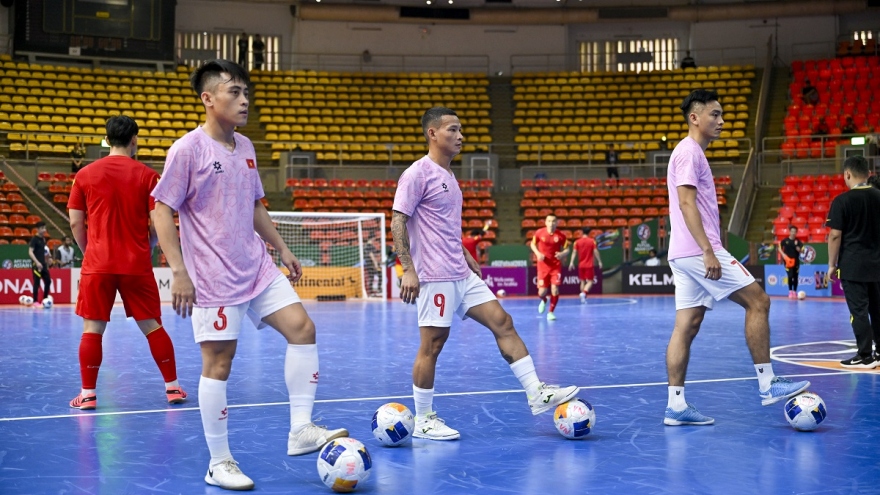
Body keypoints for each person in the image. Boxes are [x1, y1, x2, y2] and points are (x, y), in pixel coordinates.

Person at [151, 59, 347, 491]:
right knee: (219, 363)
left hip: (256, 266)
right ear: (208, 98)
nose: (244, 100)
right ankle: (218, 462)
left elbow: (256, 207)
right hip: (213, 276)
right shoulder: (187, 150)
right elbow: (161, 209)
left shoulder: (247, 147)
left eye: (245, 93)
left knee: (303, 328)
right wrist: (178, 271)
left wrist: (283, 249)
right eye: (234, 92)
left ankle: (301, 430)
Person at [392, 106, 578, 441]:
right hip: (434, 275)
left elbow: (445, 225)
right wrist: (408, 267)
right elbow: (398, 220)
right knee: (432, 344)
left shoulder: (449, 176)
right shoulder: (417, 173)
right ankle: (423, 419)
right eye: (452, 129)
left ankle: (537, 392)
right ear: (432, 134)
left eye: (461, 129)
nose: (460, 135)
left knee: (502, 321)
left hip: (460, 273)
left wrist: (464, 253)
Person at [663, 89, 810, 426]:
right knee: (758, 301)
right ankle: (768, 382)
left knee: (686, 326)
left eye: (723, 115)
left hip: (683, 252)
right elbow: (686, 204)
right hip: (697, 250)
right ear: (694, 117)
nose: (722, 121)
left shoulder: (691, 153)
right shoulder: (688, 152)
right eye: (715, 114)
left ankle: (675, 406)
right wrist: (707, 250)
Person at [66, 114, 187, 411]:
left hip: (98, 264)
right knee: (153, 327)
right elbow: (158, 223)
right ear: (134, 140)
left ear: (107, 140)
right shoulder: (148, 176)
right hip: (136, 264)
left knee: (92, 329)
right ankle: (172, 388)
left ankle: (88, 394)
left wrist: (88, 250)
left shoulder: (84, 175)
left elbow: (75, 223)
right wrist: (149, 246)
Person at [825, 156, 880, 369]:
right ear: (867, 173)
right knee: (877, 309)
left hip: (853, 266)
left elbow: (835, 236)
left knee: (859, 311)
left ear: (847, 174)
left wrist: (831, 264)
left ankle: (865, 355)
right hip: (877, 265)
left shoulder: (842, 201)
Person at [531, 215, 569, 320]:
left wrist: (562, 254)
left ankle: (551, 312)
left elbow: (567, 249)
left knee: (555, 289)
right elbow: (532, 244)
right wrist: (538, 253)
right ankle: (544, 300)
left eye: (553, 221)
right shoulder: (539, 233)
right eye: (549, 221)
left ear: (557, 223)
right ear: (545, 222)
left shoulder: (561, 235)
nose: (551, 223)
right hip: (542, 266)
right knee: (541, 292)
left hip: (555, 266)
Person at [569, 229, 602, 304]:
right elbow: (595, 251)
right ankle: (584, 293)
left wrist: (571, 262)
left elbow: (574, 252)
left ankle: (582, 298)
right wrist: (599, 261)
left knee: (582, 281)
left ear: (582, 232)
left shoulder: (577, 242)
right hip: (589, 265)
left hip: (581, 265)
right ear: (589, 233)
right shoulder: (592, 241)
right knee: (590, 281)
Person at [28, 222, 51, 307]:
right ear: (37, 229)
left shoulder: (43, 239)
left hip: (43, 264)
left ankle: (45, 299)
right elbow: (30, 252)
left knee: (48, 281)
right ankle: (35, 301)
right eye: (42, 228)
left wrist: (48, 259)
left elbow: (44, 251)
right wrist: (37, 262)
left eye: (44, 228)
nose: (44, 230)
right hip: (36, 264)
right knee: (36, 283)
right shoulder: (34, 239)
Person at [779, 226, 803, 299]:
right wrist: (783, 255)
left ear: (796, 233)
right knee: (790, 276)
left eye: (794, 232)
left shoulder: (798, 241)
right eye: (792, 231)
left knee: (795, 277)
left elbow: (802, 250)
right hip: (787, 262)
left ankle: (795, 291)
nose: (793, 233)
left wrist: (798, 248)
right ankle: (790, 291)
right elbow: (779, 248)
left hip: (796, 262)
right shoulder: (785, 240)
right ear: (789, 232)